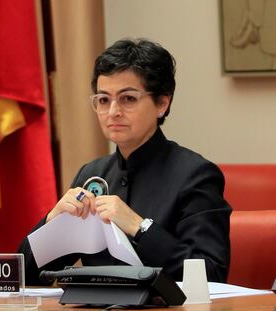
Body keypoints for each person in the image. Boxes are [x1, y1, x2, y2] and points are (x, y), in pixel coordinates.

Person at [18, 38, 231, 285]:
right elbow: (23, 276)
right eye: (103, 100)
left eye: (128, 99)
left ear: (162, 103)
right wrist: (52, 220)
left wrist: (140, 227)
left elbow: (211, 275)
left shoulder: (196, 175)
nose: (112, 112)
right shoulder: (92, 174)